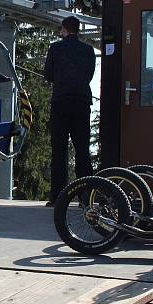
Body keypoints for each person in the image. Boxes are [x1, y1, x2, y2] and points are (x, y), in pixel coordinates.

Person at [44, 16, 96, 206]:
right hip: (82, 101)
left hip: (61, 101)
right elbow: (90, 74)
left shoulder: (55, 48)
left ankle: (58, 196)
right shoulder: (88, 49)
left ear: (64, 29)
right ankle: (86, 196)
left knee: (59, 149)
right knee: (82, 149)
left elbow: (48, 74)